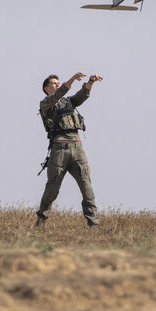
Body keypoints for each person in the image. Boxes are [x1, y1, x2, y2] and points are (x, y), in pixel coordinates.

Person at [37, 72, 103, 227]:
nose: (57, 84)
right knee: (52, 190)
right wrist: (72, 79)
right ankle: (41, 222)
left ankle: (93, 225)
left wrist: (90, 82)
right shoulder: (46, 103)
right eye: (53, 83)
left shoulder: (68, 102)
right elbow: (58, 94)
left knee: (87, 188)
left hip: (78, 148)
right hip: (59, 150)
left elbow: (81, 96)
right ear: (46, 88)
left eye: (58, 82)